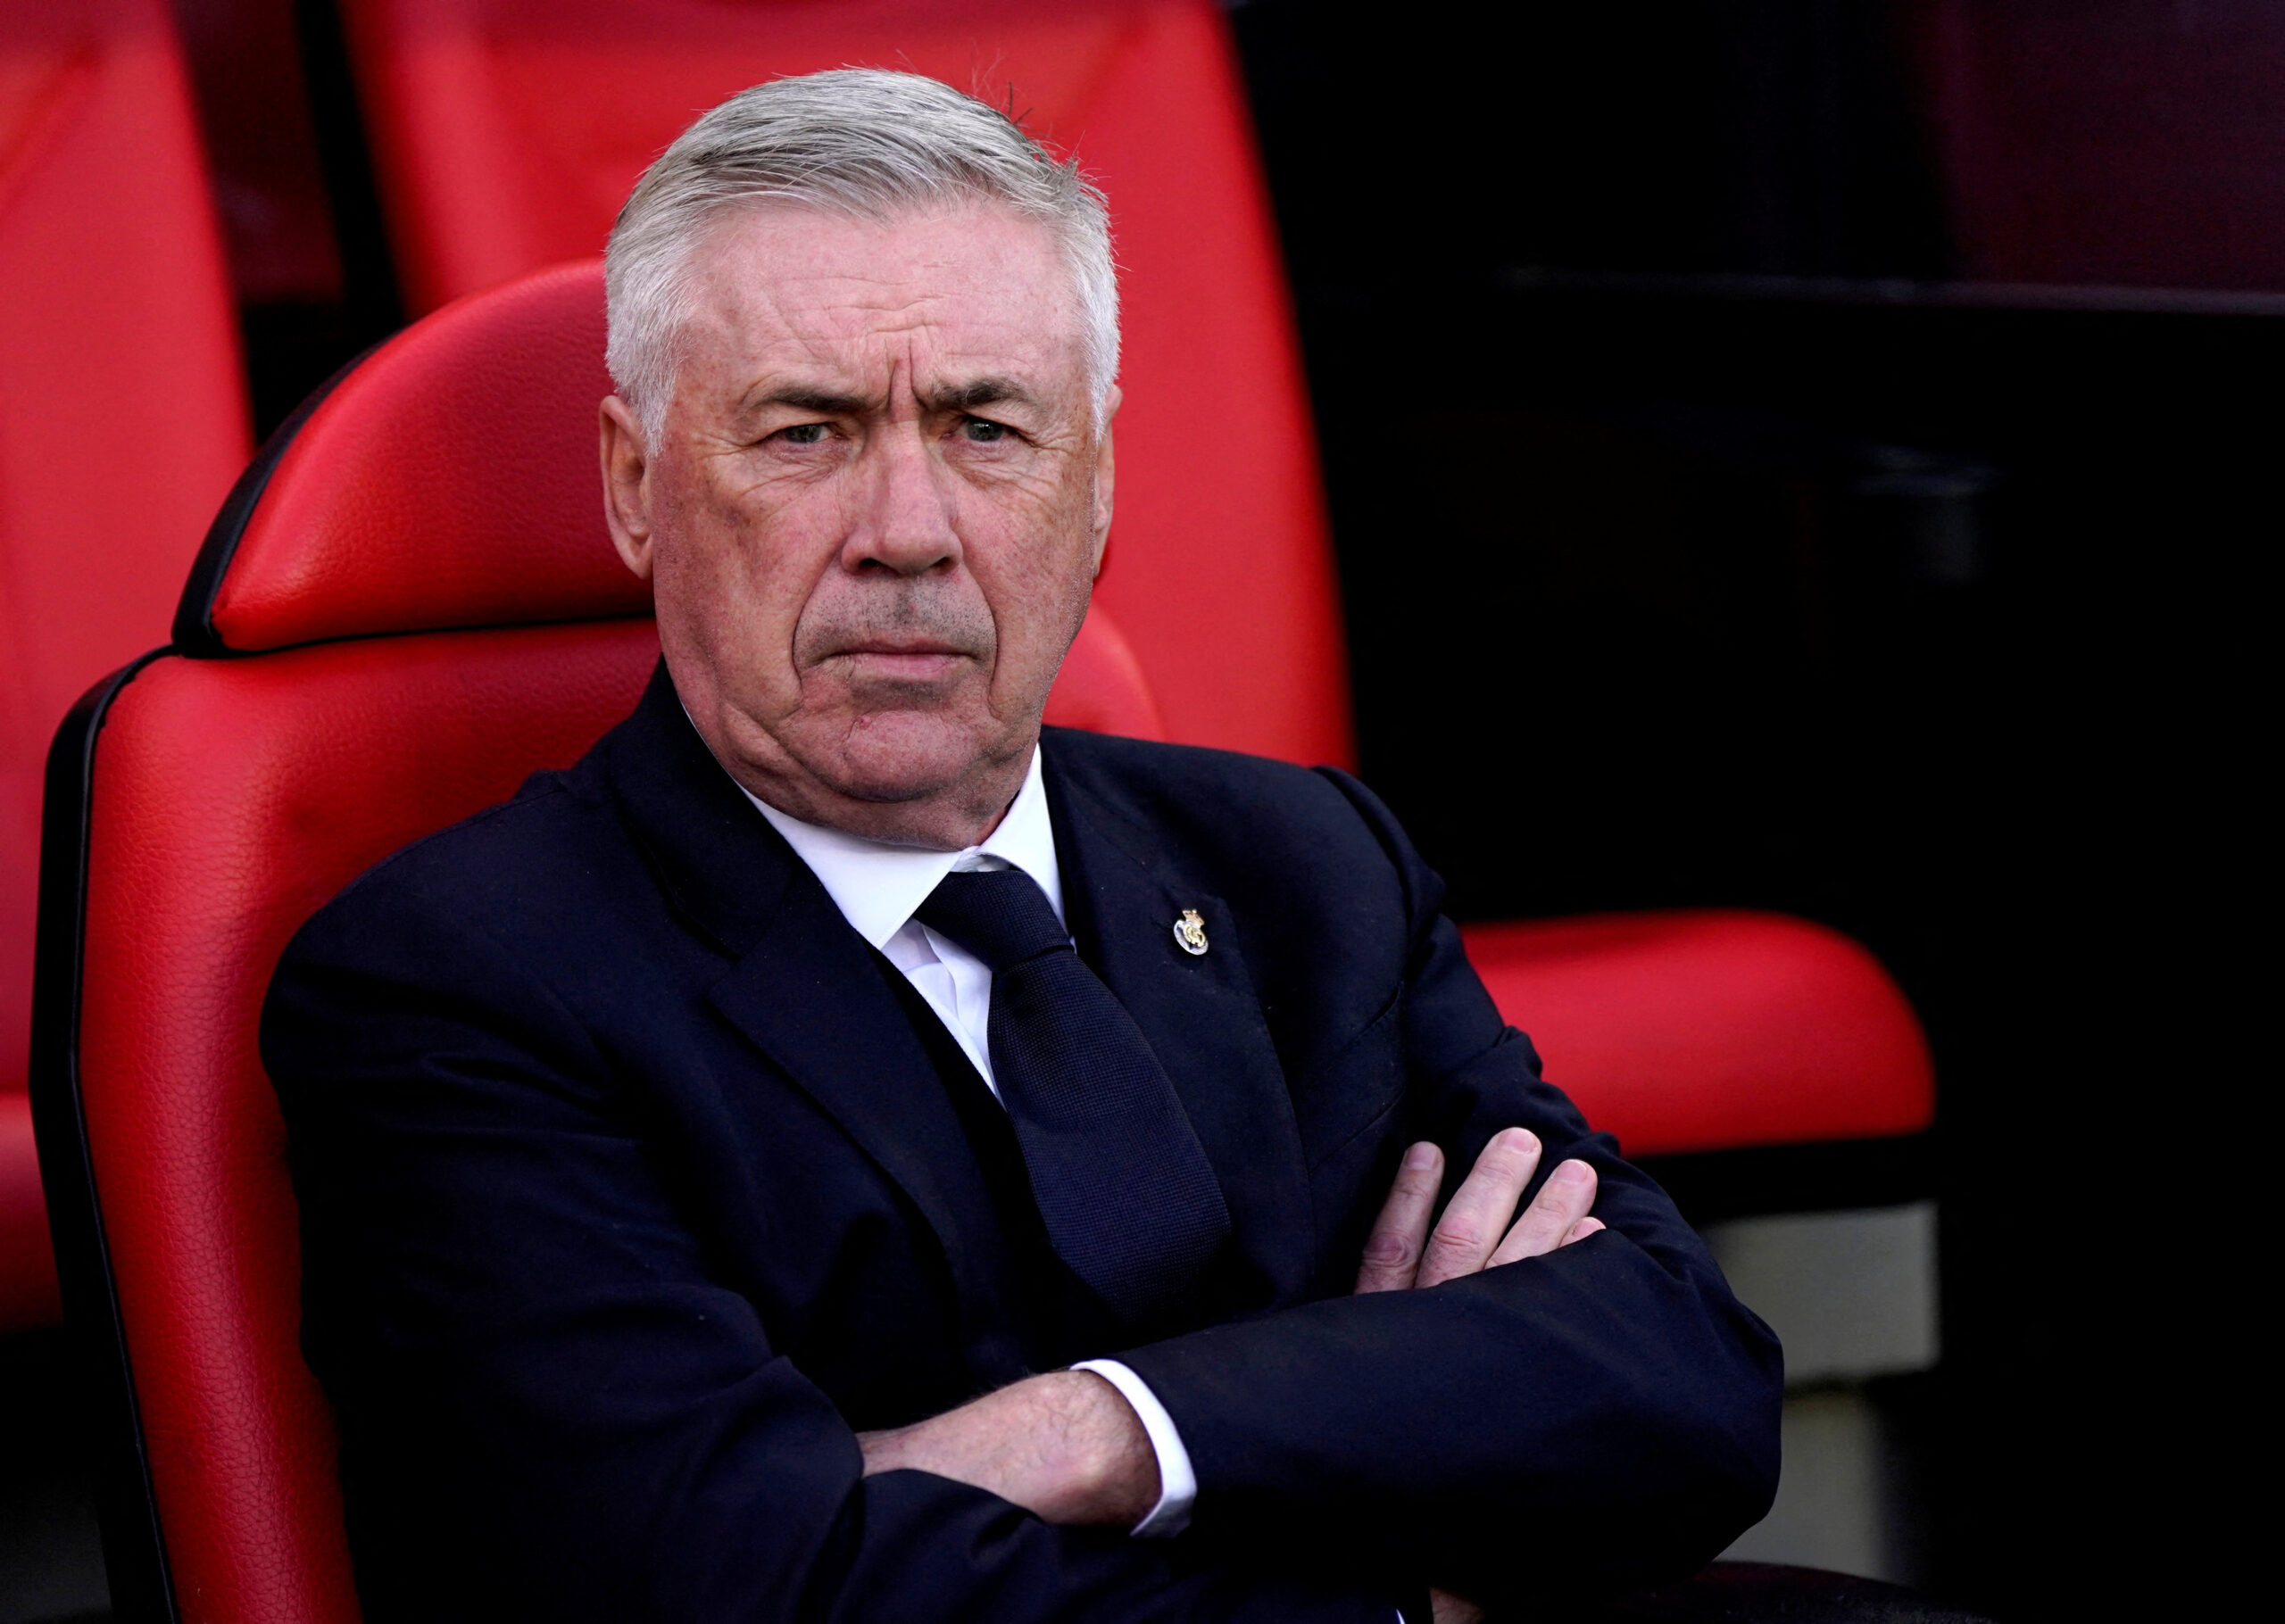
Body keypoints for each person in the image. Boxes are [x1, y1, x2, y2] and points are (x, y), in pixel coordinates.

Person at [262, 69, 1780, 1624]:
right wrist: (1395, 1539)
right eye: (807, 432)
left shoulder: (1306, 866)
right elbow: (737, 1584)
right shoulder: (460, 986)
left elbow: (1686, 1379)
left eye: (988, 427)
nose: (908, 527)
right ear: (635, 487)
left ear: (1100, 485)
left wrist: (1093, 1433)